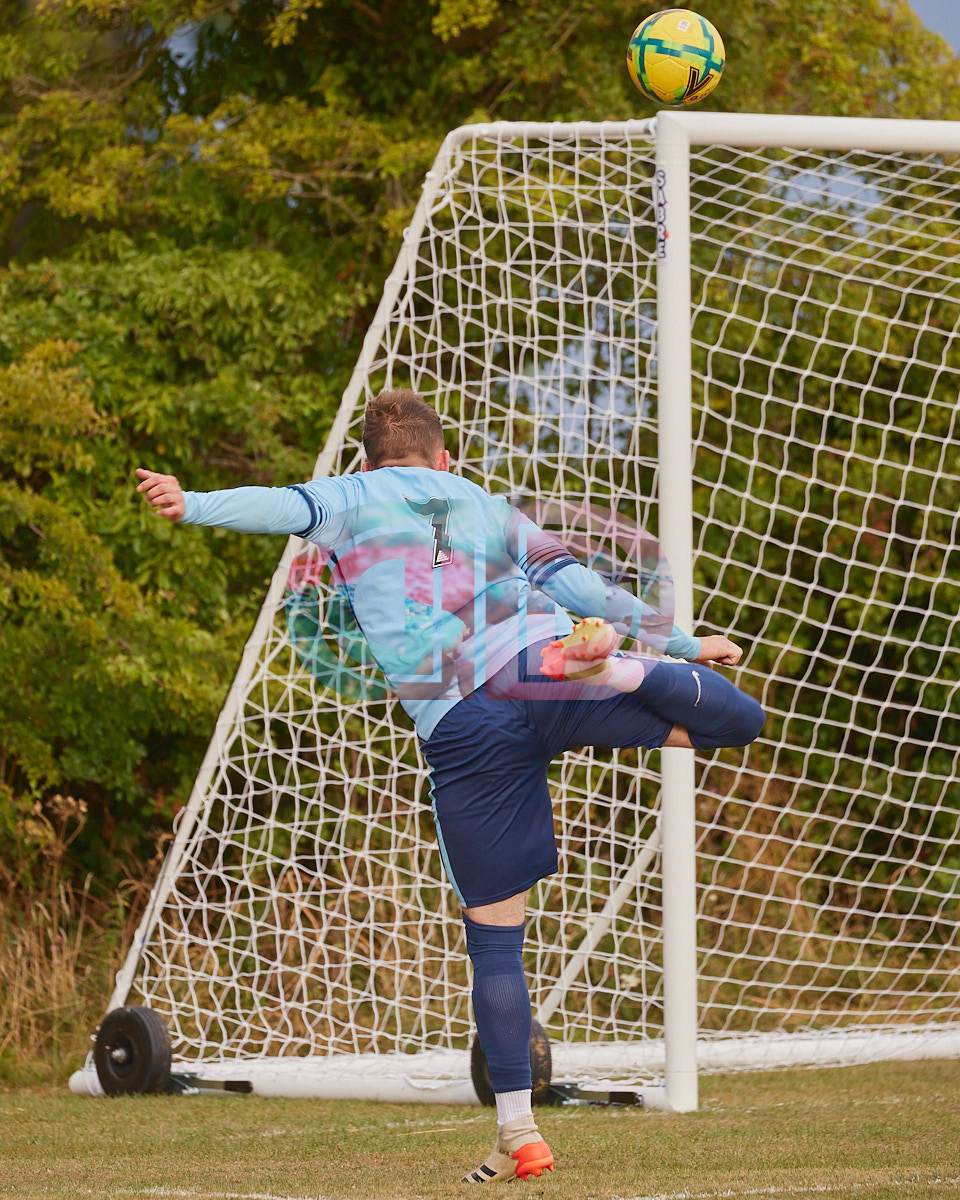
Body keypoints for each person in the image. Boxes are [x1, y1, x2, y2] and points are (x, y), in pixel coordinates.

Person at [136, 388, 764, 1185]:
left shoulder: (348, 497)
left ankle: (520, 1131)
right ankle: (622, 670)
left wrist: (191, 501)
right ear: (444, 457)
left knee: (496, 940)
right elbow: (578, 585)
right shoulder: (486, 503)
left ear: (368, 461)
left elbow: (278, 505)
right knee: (733, 723)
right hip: (544, 668)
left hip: (464, 722)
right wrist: (677, 639)